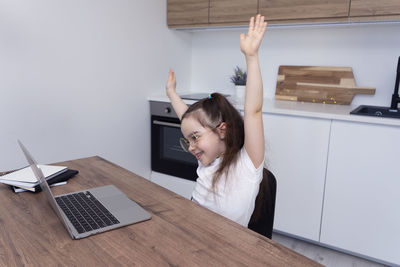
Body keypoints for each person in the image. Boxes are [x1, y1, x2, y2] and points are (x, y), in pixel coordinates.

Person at [166, 14, 267, 227]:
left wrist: (251, 56)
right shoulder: (208, 158)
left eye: (194, 138)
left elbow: (254, 111)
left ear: (222, 130)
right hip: (195, 234)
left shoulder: (247, 164)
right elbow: (188, 119)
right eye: (188, 140)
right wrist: (171, 93)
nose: (191, 147)